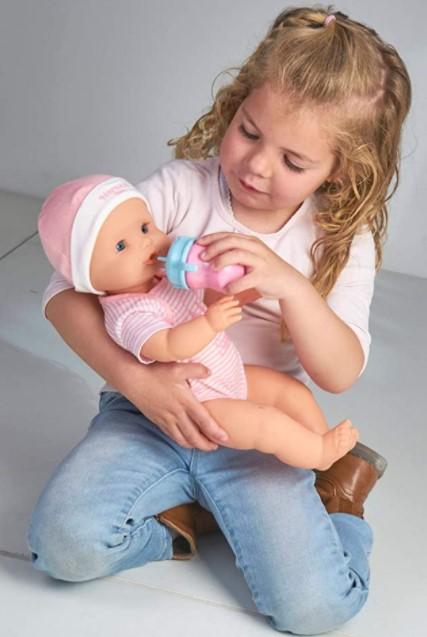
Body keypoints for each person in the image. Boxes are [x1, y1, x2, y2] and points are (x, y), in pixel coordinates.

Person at [28, 7, 411, 634]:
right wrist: (139, 383)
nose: (257, 166)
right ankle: (185, 523)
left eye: (294, 162)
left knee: (317, 608)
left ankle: (341, 497)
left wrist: (290, 286)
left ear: (341, 168)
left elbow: (339, 372)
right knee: (63, 547)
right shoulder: (182, 190)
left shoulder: (339, 239)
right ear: (234, 106)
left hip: (258, 424)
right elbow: (64, 288)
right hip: (149, 412)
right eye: (249, 132)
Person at [38, 174, 359, 470]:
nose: (145, 242)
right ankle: (319, 455)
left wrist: (237, 287)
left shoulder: (163, 279)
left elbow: (203, 301)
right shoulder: (127, 313)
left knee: (290, 392)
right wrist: (210, 323)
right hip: (203, 402)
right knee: (266, 424)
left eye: (145, 228)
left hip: (231, 375)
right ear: (89, 279)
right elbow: (166, 346)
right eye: (121, 246)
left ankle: (323, 443)